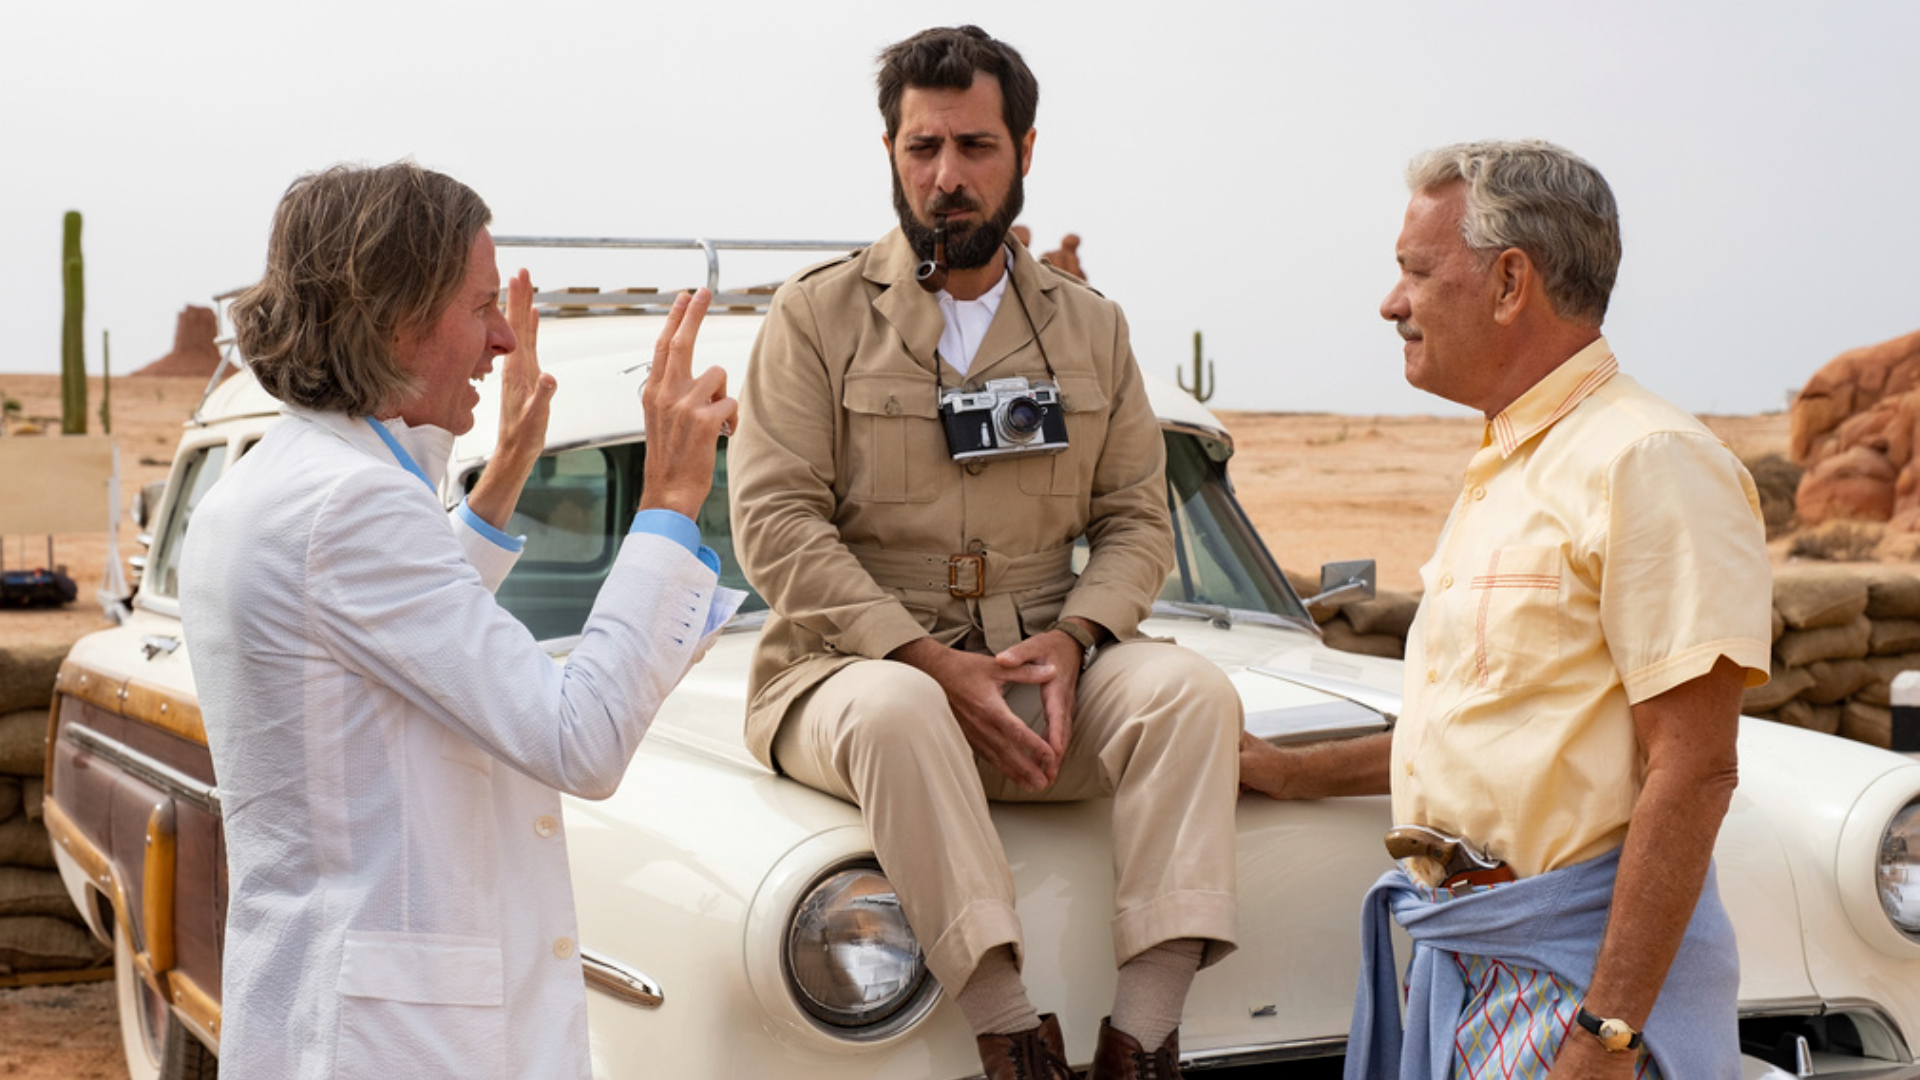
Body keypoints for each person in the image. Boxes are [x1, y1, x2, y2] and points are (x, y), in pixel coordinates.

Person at [728, 25, 1240, 1080]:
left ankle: (1141, 1040)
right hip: (850, 676)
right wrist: (924, 657)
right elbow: (777, 523)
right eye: (923, 150)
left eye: (974, 148)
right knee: (903, 704)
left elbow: (1140, 518)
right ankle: (1011, 1037)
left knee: (1193, 694)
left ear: (1025, 152)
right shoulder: (816, 317)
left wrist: (1075, 638)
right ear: (890, 153)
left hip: (1037, 673)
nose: (946, 178)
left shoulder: (1092, 329)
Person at [179, 162, 741, 1079]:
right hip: (395, 1046)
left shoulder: (285, 480)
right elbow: (579, 738)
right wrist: (673, 497)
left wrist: (507, 468)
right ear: (396, 314)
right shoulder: (351, 506)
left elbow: (395, 647)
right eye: (481, 306)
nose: (502, 340)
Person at [1239, 140, 1770, 1079]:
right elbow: (1496, 729)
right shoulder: (1509, 468)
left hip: (1571, 992)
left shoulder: (1649, 460)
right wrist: (1289, 776)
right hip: (1476, 970)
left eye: (1414, 272)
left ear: (1509, 281)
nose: (1391, 303)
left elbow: (1692, 770)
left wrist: (1608, 1035)